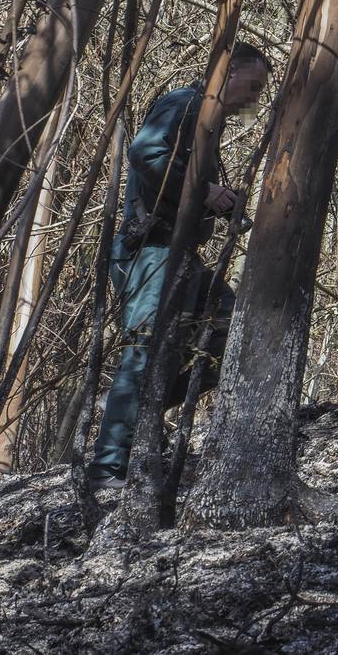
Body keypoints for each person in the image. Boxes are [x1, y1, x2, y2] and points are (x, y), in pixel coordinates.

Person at [86, 42, 270, 488]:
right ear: (228, 74)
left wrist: (222, 203)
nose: (255, 98)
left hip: (180, 256)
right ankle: (109, 467)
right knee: (145, 352)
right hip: (150, 254)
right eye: (254, 85)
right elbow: (146, 153)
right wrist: (206, 190)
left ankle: (141, 420)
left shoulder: (206, 123)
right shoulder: (185, 104)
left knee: (230, 331)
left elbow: (183, 180)